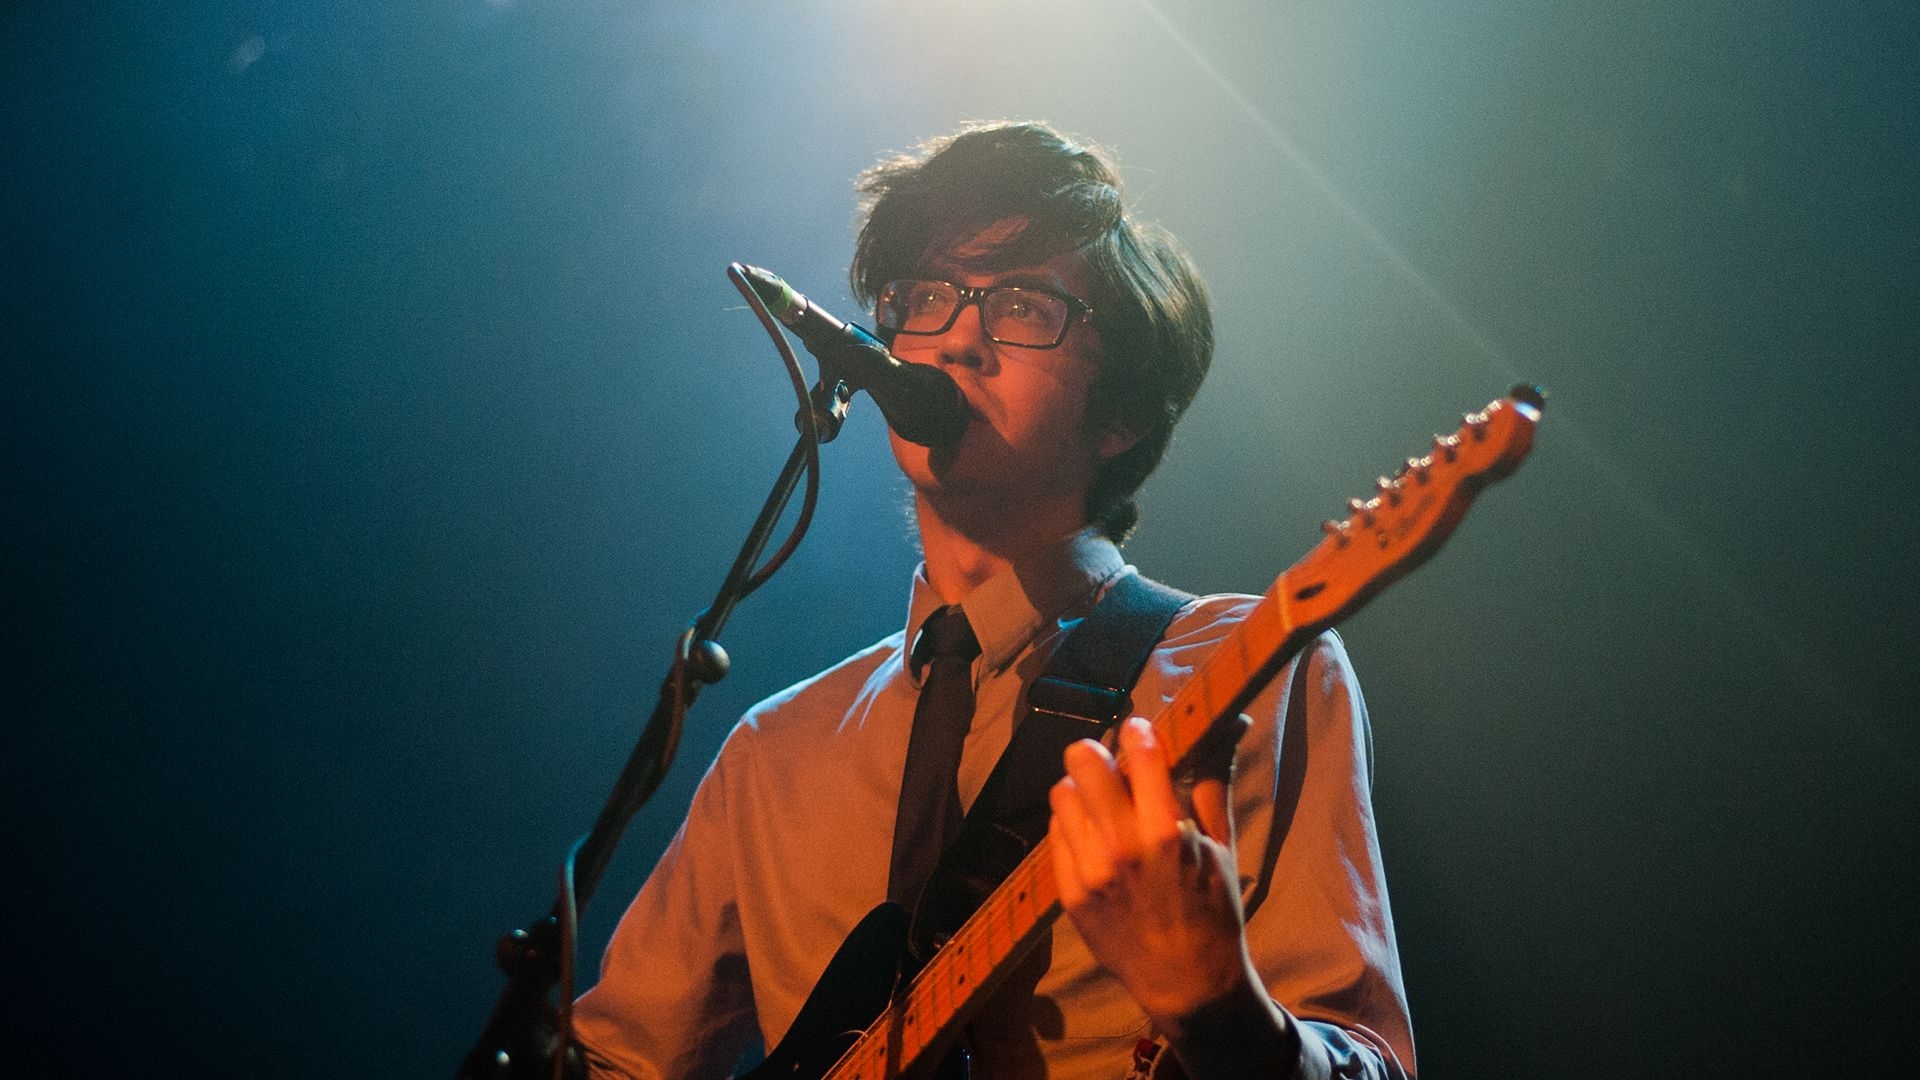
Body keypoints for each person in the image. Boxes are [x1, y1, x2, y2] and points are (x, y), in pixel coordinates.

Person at [572, 121, 1415, 1080]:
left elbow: (1369, 1059)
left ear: (1125, 414)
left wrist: (1221, 1009)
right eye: (926, 297)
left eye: (1022, 305)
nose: (959, 337)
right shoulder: (775, 753)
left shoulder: (1253, 666)